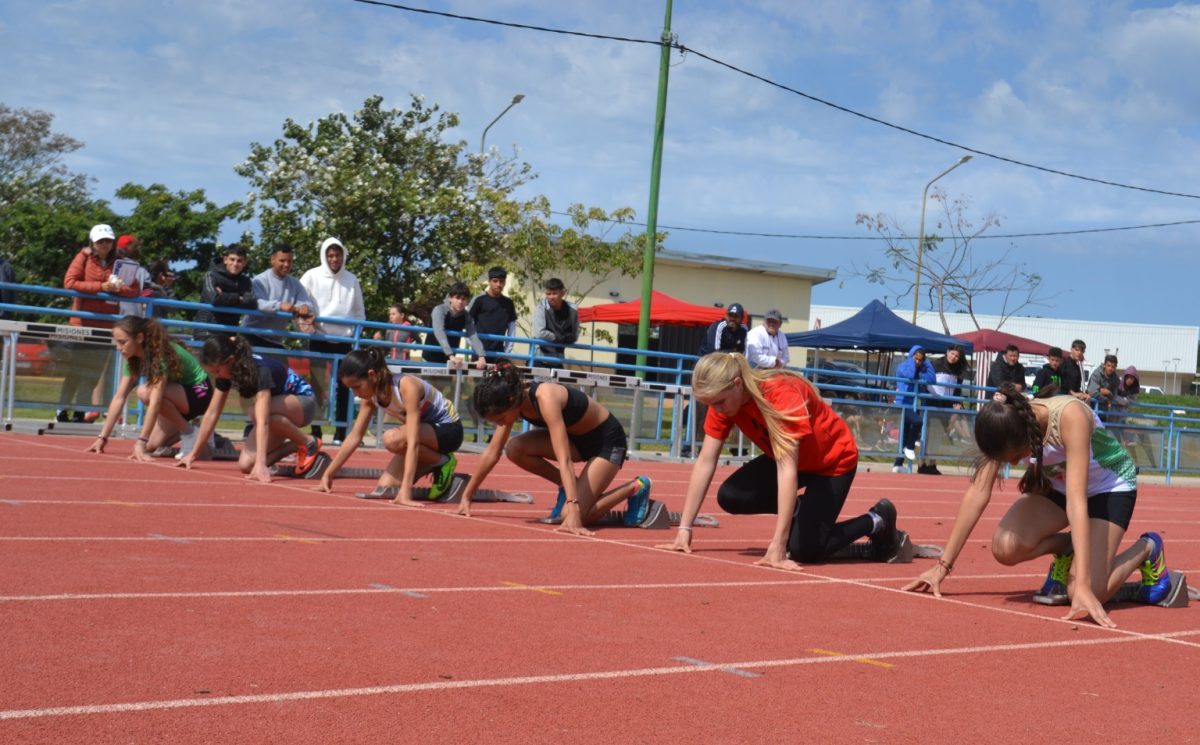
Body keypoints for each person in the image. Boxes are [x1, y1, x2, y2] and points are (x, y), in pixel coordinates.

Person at [902, 382, 1171, 629]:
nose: (1016, 464)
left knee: (1084, 592)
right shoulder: (1006, 422)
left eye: (1017, 457)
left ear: (1027, 436)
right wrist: (943, 566)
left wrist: (1085, 586)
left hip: (1108, 488)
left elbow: (1078, 502)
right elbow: (977, 492)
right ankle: (1068, 548)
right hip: (1060, 487)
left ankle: (1147, 549)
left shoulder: (1070, 416)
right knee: (1005, 546)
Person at [657, 352, 904, 566]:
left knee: (805, 551)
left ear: (737, 384)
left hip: (831, 462)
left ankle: (878, 519)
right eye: (712, 404)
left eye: (719, 402)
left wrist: (778, 543)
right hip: (791, 460)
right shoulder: (724, 401)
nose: (717, 410)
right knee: (731, 496)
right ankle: (800, 511)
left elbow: (787, 469)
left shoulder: (781, 395)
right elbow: (706, 460)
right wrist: (684, 529)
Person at [459, 360, 652, 531]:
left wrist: (573, 504)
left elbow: (564, 458)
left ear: (511, 401)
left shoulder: (545, 398)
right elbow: (493, 453)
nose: (500, 424)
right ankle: (569, 488)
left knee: (573, 516)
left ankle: (636, 486)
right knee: (514, 449)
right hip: (577, 441)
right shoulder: (513, 402)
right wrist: (467, 496)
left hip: (607, 443)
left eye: (500, 419)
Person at [315, 348, 462, 504]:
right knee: (386, 486)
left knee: (392, 439)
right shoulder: (370, 397)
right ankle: (439, 461)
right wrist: (328, 475)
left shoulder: (407, 387)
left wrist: (406, 492)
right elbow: (355, 436)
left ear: (372, 375)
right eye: (350, 388)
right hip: (424, 435)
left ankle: (442, 461)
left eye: (356, 387)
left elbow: (412, 442)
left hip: (449, 431)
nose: (355, 394)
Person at [178, 335, 321, 483]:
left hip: (304, 402)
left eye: (218, 371)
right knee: (246, 465)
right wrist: (193, 454)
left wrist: (261, 463)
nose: (216, 376)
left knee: (256, 413)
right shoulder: (226, 373)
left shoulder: (259, 370)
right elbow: (212, 413)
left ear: (231, 361)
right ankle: (296, 444)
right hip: (278, 412)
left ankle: (309, 443)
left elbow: (263, 420)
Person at [85, 316, 213, 461]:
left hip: (200, 392)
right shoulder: (132, 359)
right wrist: (102, 437)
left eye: (122, 342)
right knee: (152, 445)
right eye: (116, 342)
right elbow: (119, 397)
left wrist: (140, 441)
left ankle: (189, 433)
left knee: (144, 391)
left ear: (139, 338)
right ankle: (198, 432)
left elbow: (156, 401)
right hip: (178, 397)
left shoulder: (159, 354)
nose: (118, 348)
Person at [59, 224, 141, 423]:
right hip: (82, 321)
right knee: (75, 369)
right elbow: (70, 282)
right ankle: (61, 409)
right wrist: (101, 287)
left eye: (108, 240)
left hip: (105, 324)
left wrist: (120, 288)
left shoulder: (120, 262)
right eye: (100, 241)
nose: (105, 244)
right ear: (93, 243)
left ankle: (81, 410)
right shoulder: (84, 257)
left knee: (93, 372)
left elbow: (135, 290)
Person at [300, 237, 366, 443]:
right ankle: (316, 430)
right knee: (318, 387)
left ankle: (340, 431)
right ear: (324, 256)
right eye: (330, 255)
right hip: (319, 337)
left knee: (345, 386)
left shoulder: (351, 280)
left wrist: (354, 335)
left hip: (345, 341)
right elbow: (300, 302)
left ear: (343, 256)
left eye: (337, 255)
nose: (334, 259)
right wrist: (305, 326)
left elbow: (359, 312)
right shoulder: (311, 276)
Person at [686, 302, 748, 457]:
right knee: (701, 410)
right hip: (706, 372)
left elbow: (741, 354)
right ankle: (689, 447)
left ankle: (731, 447)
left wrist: (733, 358)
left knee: (728, 409)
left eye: (736, 316)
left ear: (741, 318)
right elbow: (715, 353)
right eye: (730, 315)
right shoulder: (718, 327)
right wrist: (732, 354)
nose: (732, 318)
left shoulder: (744, 330)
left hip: (724, 374)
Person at [241, 243, 315, 354]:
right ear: (272, 260)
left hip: (276, 340)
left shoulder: (295, 283)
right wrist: (279, 305)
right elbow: (258, 303)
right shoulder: (260, 280)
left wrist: (304, 307)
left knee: (281, 370)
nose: (286, 264)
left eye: (289, 261)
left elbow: (306, 303)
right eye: (282, 261)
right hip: (252, 335)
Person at [920, 343, 969, 475]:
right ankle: (921, 463)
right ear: (947, 352)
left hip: (946, 404)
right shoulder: (935, 364)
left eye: (957, 356)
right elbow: (925, 383)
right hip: (932, 401)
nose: (954, 357)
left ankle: (932, 464)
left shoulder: (958, 370)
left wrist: (957, 404)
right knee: (928, 433)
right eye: (952, 354)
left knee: (938, 434)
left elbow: (957, 390)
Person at [195, 244, 257, 338]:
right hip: (207, 332)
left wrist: (224, 296)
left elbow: (252, 304)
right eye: (232, 259)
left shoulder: (245, 281)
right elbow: (215, 299)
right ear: (225, 260)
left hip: (229, 333)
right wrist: (239, 298)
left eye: (239, 261)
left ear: (245, 263)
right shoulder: (211, 275)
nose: (235, 264)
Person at [893, 345, 935, 473]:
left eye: (920, 360)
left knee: (905, 435)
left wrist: (926, 362)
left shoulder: (922, 370)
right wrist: (912, 360)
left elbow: (932, 380)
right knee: (917, 421)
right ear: (911, 357)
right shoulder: (903, 366)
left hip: (914, 404)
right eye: (915, 358)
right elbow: (910, 375)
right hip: (902, 404)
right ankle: (909, 447)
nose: (918, 361)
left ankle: (898, 464)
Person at [424, 281, 486, 369]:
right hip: (430, 356)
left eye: (463, 299)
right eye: (457, 298)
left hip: (449, 360)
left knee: (446, 383)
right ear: (450, 298)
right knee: (426, 383)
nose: (460, 301)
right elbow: (439, 331)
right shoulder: (439, 310)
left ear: (467, 301)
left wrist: (481, 355)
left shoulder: (466, 316)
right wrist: (450, 355)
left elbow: (473, 335)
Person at [468, 266, 517, 364]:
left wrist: (507, 352)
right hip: (479, 353)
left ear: (505, 283)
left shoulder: (509, 303)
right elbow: (468, 323)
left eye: (501, 281)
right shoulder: (479, 300)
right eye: (495, 281)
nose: (498, 284)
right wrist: (474, 345)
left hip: (499, 354)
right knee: (479, 379)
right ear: (489, 281)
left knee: (500, 379)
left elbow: (512, 329)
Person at [531, 277, 579, 369]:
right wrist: (558, 337)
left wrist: (563, 337)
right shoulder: (541, 307)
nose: (551, 297)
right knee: (537, 383)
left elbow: (574, 335)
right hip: (540, 357)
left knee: (560, 383)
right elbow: (539, 333)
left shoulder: (572, 310)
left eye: (554, 293)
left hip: (558, 359)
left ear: (562, 293)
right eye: (548, 294)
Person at [115, 235, 152, 318]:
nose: (139, 249)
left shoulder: (110, 267)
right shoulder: (143, 272)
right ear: (129, 249)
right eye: (136, 246)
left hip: (111, 316)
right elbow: (146, 297)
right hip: (134, 318)